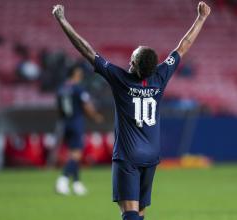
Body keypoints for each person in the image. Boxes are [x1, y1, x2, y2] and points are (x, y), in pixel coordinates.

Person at [52, 2, 210, 219]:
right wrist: (201, 18)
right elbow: (183, 46)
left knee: (129, 212)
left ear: (135, 64)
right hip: (152, 155)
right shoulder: (160, 76)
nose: (128, 59)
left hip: (128, 156)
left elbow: (86, 50)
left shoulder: (120, 79)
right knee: (140, 212)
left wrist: (62, 21)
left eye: (132, 57)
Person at [55, 64, 104, 196]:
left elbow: (59, 108)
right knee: (76, 154)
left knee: (72, 154)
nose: (81, 75)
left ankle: (77, 184)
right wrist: (95, 116)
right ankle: (63, 179)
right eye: (80, 73)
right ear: (76, 73)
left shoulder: (61, 89)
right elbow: (87, 105)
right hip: (76, 121)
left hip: (65, 122)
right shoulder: (78, 88)